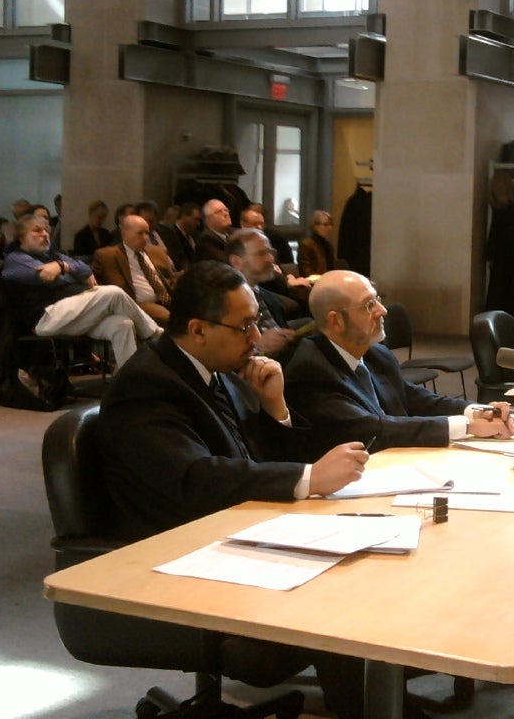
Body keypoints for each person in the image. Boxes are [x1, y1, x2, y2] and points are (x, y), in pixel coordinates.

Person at [97, 261, 370, 719]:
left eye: (257, 322)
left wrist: (276, 408)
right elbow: (198, 479)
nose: (257, 337)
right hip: (172, 560)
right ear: (198, 329)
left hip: (228, 533)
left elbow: (250, 461)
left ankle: (370, 704)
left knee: (358, 565)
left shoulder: (218, 371)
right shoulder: (147, 386)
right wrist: (307, 477)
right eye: (245, 326)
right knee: (334, 593)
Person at [283, 270, 514, 458]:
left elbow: (411, 397)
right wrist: (466, 426)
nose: (382, 310)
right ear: (335, 321)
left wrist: (476, 411)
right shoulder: (311, 369)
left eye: (378, 300)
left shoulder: (376, 354)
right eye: (368, 305)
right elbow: (371, 429)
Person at [1, 214, 161, 369]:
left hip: (73, 312)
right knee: (113, 293)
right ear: (21, 238)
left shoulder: (53, 255)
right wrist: (69, 272)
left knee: (122, 324)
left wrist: (63, 267)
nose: (44, 234)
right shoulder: (16, 259)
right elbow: (49, 278)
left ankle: (129, 380)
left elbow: (84, 268)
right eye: (37, 231)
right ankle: (156, 336)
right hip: (46, 318)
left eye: (46, 230)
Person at [224, 228, 299, 360]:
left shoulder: (270, 299)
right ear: (237, 262)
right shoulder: (224, 302)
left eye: (270, 252)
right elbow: (221, 356)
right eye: (261, 254)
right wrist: (258, 347)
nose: (270, 259)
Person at [92, 214, 175, 323]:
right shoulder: (107, 256)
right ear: (124, 234)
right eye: (140, 233)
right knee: (169, 317)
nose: (145, 238)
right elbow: (93, 281)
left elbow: (171, 279)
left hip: (168, 299)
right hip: (136, 305)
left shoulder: (157, 251)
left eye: (147, 233)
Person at [161, 200, 201, 271]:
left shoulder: (195, 236)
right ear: (184, 216)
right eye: (195, 219)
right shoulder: (170, 234)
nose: (198, 224)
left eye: (199, 220)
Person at [297, 209, 337, 277]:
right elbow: (306, 273)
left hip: (327, 281)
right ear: (315, 226)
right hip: (313, 284)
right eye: (326, 224)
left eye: (331, 224)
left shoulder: (328, 245)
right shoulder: (306, 245)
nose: (329, 228)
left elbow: (332, 269)